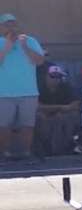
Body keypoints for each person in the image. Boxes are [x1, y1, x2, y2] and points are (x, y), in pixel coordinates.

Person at [0, 14, 47, 161]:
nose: (11, 27)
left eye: (13, 24)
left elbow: (40, 61)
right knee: (3, 125)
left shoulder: (30, 41)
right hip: (4, 93)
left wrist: (25, 46)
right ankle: (5, 153)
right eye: (7, 24)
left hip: (28, 92)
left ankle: (25, 153)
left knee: (27, 125)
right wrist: (7, 45)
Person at [35, 65, 81, 156]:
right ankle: (43, 149)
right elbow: (37, 105)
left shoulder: (66, 86)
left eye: (58, 77)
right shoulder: (39, 87)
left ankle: (65, 147)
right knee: (39, 117)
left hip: (62, 115)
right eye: (53, 76)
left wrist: (63, 110)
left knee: (68, 117)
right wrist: (59, 107)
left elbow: (76, 102)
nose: (56, 79)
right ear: (46, 76)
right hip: (45, 115)